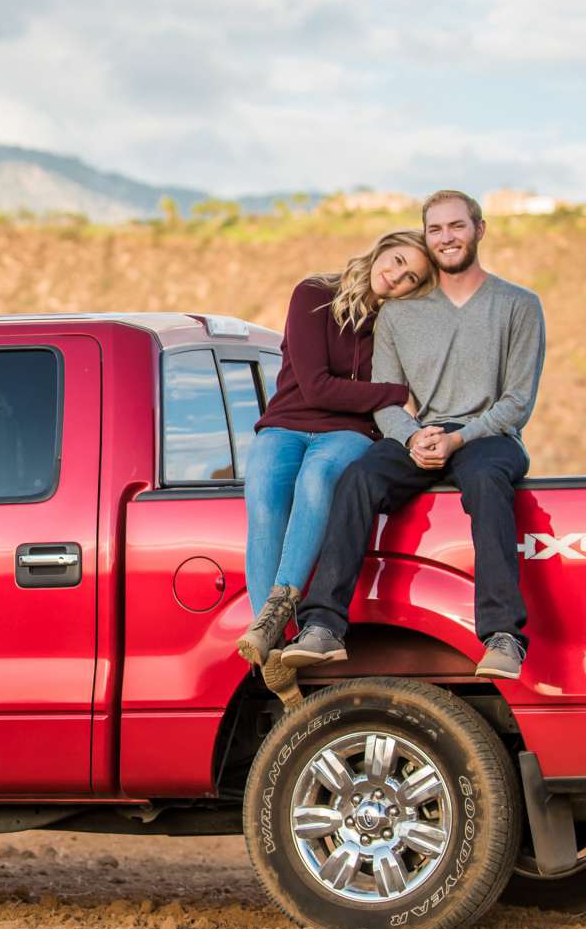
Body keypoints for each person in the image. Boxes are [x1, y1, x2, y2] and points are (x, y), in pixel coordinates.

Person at [279, 188, 547, 680]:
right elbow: (387, 397)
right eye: (436, 229)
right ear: (427, 235)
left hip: (486, 437)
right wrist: (410, 438)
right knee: (357, 479)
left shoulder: (519, 305)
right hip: (415, 436)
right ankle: (321, 627)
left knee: (487, 483)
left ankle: (502, 635)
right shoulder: (399, 314)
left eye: (457, 226)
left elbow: (517, 402)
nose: (447, 237)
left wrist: (457, 439)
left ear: (479, 229)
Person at [234, 230, 434, 667]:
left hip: (348, 432)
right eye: (397, 261)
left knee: (319, 478)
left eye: (411, 278)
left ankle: (275, 614)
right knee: (264, 494)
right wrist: (393, 391)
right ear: (382, 249)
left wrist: (385, 395)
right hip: (286, 425)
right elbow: (315, 386)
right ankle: (271, 649)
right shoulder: (314, 295)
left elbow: (339, 393)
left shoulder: (393, 327)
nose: (396, 276)